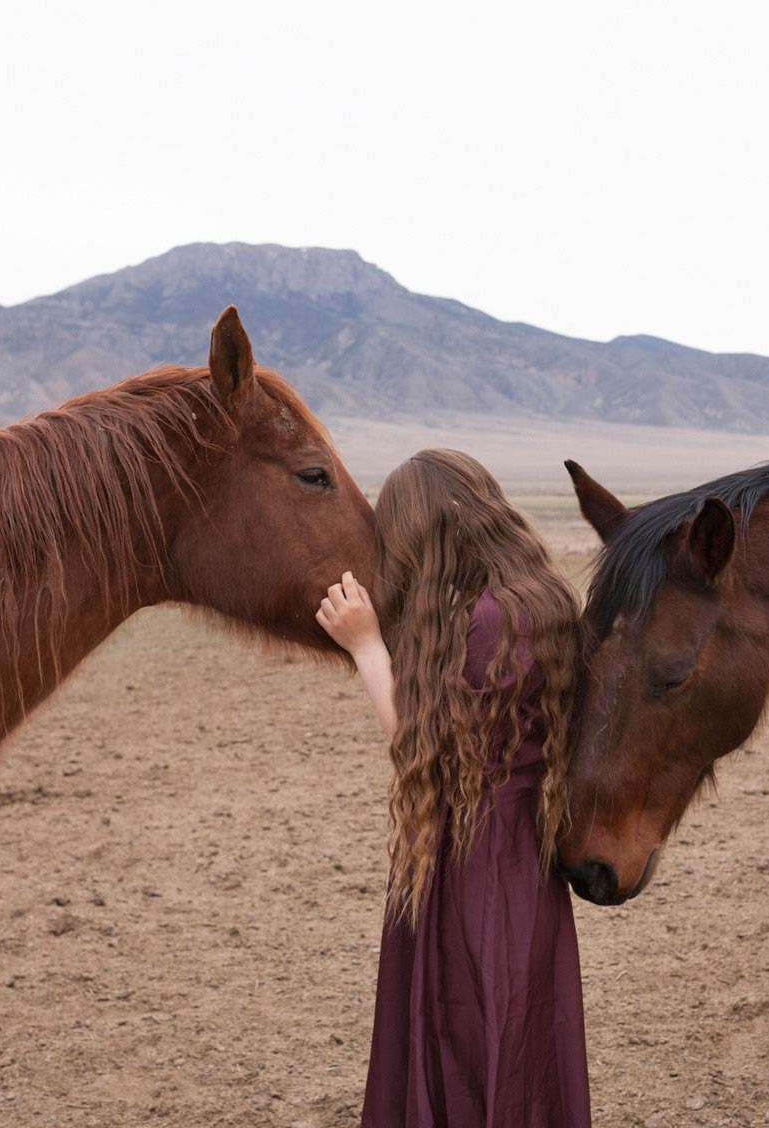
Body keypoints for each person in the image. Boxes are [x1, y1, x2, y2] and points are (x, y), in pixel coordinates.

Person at [316, 448, 591, 1127]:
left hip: (475, 862)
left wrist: (366, 647)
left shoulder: (489, 625)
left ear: (425, 536)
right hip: (521, 860)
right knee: (517, 1025)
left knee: (469, 1026)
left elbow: (426, 752)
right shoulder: (539, 601)